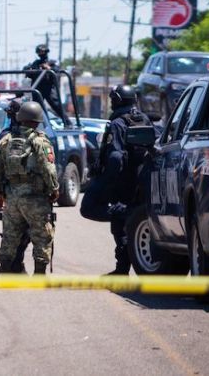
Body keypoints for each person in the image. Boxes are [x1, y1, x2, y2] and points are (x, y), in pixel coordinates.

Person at [79, 84, 153, 275]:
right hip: (141, 179)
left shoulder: (118, 124)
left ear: (118, 101)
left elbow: (115, 157)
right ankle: (122, 269)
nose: (112, 103)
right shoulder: (143, 119)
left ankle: (122, 269)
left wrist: (107, 180)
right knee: (122, 227)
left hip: (122, 181)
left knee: (91, 208)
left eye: (113, 99)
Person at [0, 101, 60, 275]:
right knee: (42, 235)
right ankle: (39, 274)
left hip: (12, 197)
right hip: (35, 197)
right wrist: (54, 189)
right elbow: (48, 168)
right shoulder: (40, 141)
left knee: (10, 236)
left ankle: (5, 269)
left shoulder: (5, 141)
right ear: (37, 121)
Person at [24, 45, 69, 125]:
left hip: (49, 89)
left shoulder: (52, 63)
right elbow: (29, 74)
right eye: (39, 52)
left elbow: (57, 72)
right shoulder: (36, 63)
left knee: (56, 106)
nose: (40, 54)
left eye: (42, 52)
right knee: (37, 108)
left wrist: (48, 68)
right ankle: (44, 124)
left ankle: (67, 122)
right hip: (38, 88)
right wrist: (28, 69)